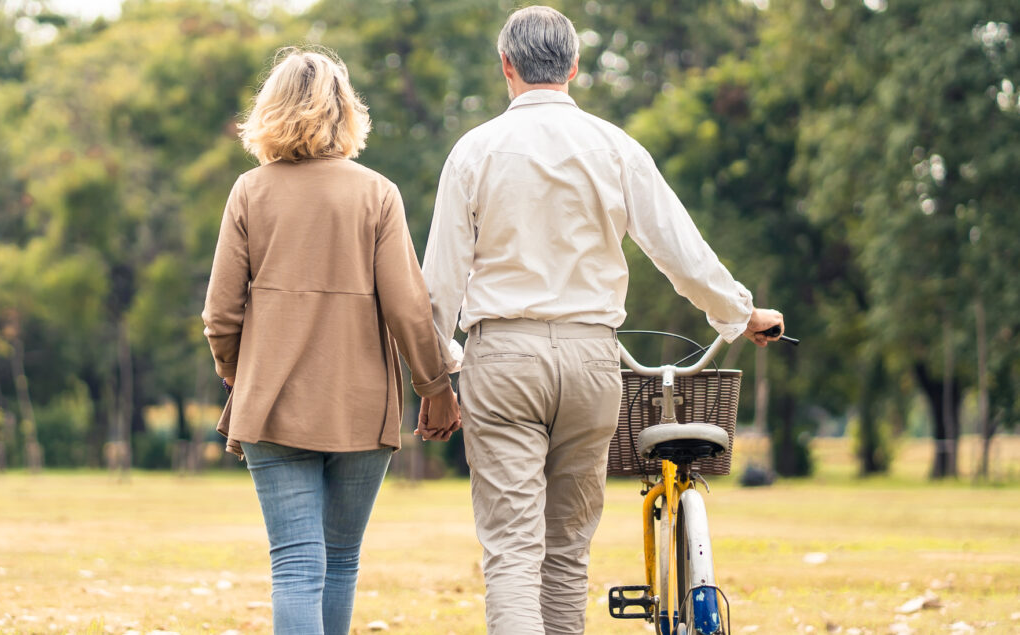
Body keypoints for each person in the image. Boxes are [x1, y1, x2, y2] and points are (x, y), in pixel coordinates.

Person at [419, 6, 786, 634]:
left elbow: (440, 288)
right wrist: (740, 313)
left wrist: (437, 377)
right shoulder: (615, 147)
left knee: (512, 550)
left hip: (502, 357)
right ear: (575, 67)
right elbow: (681, 252)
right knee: (566, 553)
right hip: (592, 361)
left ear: (506, 66)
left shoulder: (474, 150)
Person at [201, 47, 461, 635]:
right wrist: (435, 387)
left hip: (270, 404)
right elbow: (409, 309)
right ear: (347, 111)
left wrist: (238, 371)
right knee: (339, 560)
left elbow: (220, 313)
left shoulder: (249, 192)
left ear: (271, 111)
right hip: (360, 407)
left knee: (295, 564)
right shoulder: (377, 193)